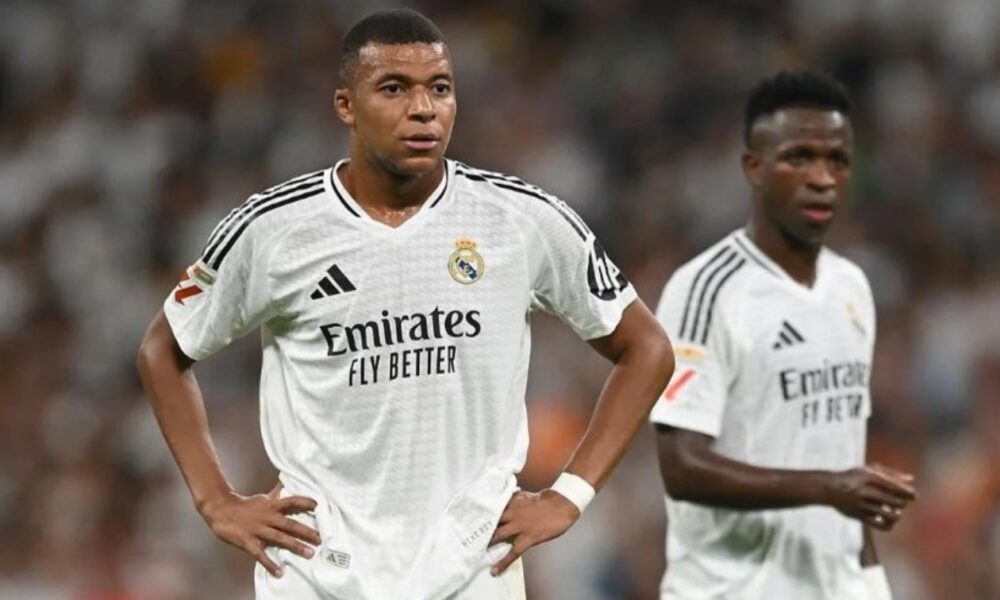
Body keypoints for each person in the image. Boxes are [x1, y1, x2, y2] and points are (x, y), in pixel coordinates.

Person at [136, 8, 674, 600]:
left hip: (472, 571)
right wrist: (215, 501)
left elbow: (646, 347)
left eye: (439, 88)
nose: (423, 109)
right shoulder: (274, 230)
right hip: (318, 571)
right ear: (346, 105)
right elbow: (164, 349)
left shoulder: (520, 219)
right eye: (394, 88)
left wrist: (569, 494)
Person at [650, 71, 916, 600]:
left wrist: (873, 585)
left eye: (838, 161)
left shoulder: (852, 286)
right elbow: (681, 466)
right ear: (754, 166)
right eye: (800, 158)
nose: (822, 178)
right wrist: (827, 488)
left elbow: (845, 461)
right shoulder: (706, 289)